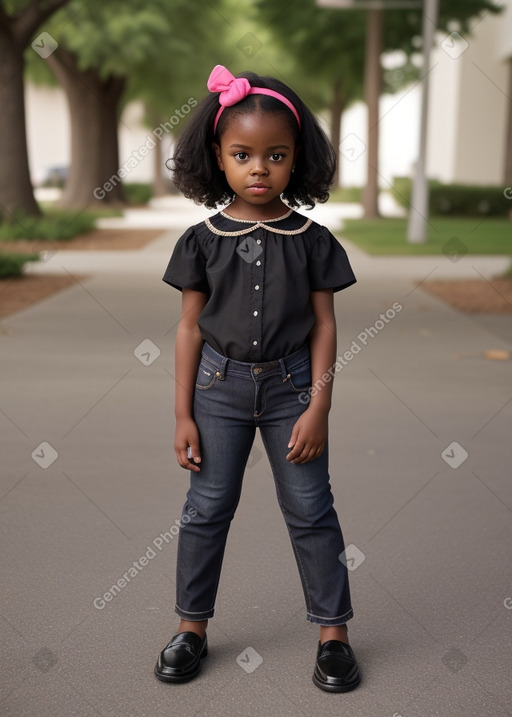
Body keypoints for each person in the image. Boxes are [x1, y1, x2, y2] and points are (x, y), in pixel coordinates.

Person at [154, 64, 360, 693]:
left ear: (297, 158)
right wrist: (184, 412)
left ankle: (334, 636)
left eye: (276, 155)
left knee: (310, 508)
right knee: (206, 507)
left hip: (294, 388)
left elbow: (324, 326)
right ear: (218, 157)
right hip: (217, 390)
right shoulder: (201, 241)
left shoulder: (313, 241)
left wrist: (318, 406)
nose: (259, 168)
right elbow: (189, 329)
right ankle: (192, 628)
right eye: (243, 155)